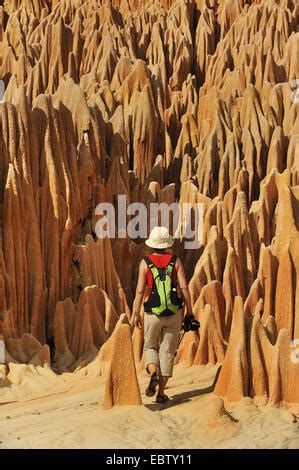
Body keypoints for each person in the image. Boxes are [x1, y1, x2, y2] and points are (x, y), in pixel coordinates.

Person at [132, 226, 194, 404]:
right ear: (167, 244)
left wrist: (136, 312)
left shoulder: (146, 262)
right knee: (167, 351)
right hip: (174, 312)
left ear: (152, 244)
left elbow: (139, 291)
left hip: (152, 313)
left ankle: (153, 372)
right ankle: (161, 393)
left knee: (150, 347)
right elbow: (184, 287)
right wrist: (189, 311)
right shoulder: (175, 261)